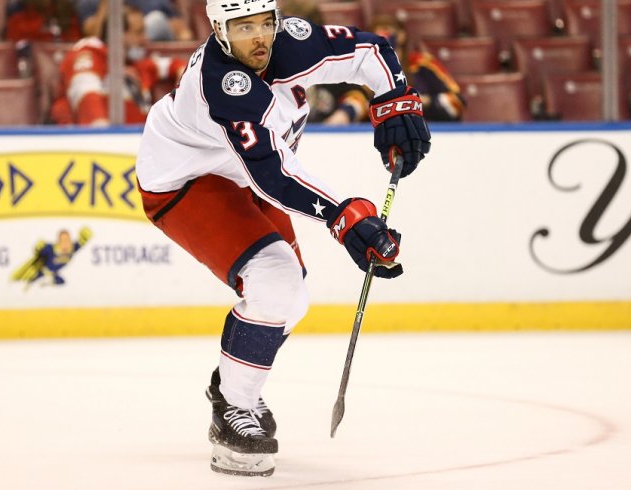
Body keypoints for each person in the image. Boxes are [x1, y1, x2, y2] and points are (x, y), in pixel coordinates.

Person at [134, 0, 431, 477]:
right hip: (187, 179)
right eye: (243, 26)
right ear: (218, 29)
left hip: (247, 171)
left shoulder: (289, 40)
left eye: (264, 23)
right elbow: (273, 172)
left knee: (289, 298)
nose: (259, 37)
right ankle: (234, 405)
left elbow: (372, 52)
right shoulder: (224, 86)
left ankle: (232, 384)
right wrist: (346, 216)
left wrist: (392, 100)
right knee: (275, 283)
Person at [49, 5, 188, 125]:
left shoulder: (137, 66)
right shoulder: (89, 53)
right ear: (119, 34)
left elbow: (175, 65)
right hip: (95, 144)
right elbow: (86, 96)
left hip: (138, 143)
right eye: (139, 32)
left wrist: (182, 81)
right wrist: (107, 137)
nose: (145, 38)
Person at [368, 14, 466, 122]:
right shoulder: (365, 71)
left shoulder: (422, 64)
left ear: (401, 35)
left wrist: (423, 101)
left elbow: (457, 103)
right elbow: (359, 102)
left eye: (386, 30)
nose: (381, 37)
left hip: (428, 130)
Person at [77, 0, 193, 41]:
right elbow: (92, 36)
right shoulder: (90, 2)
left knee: (156, 20)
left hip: (149, 49)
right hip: (112, 51)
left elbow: (184, 31)